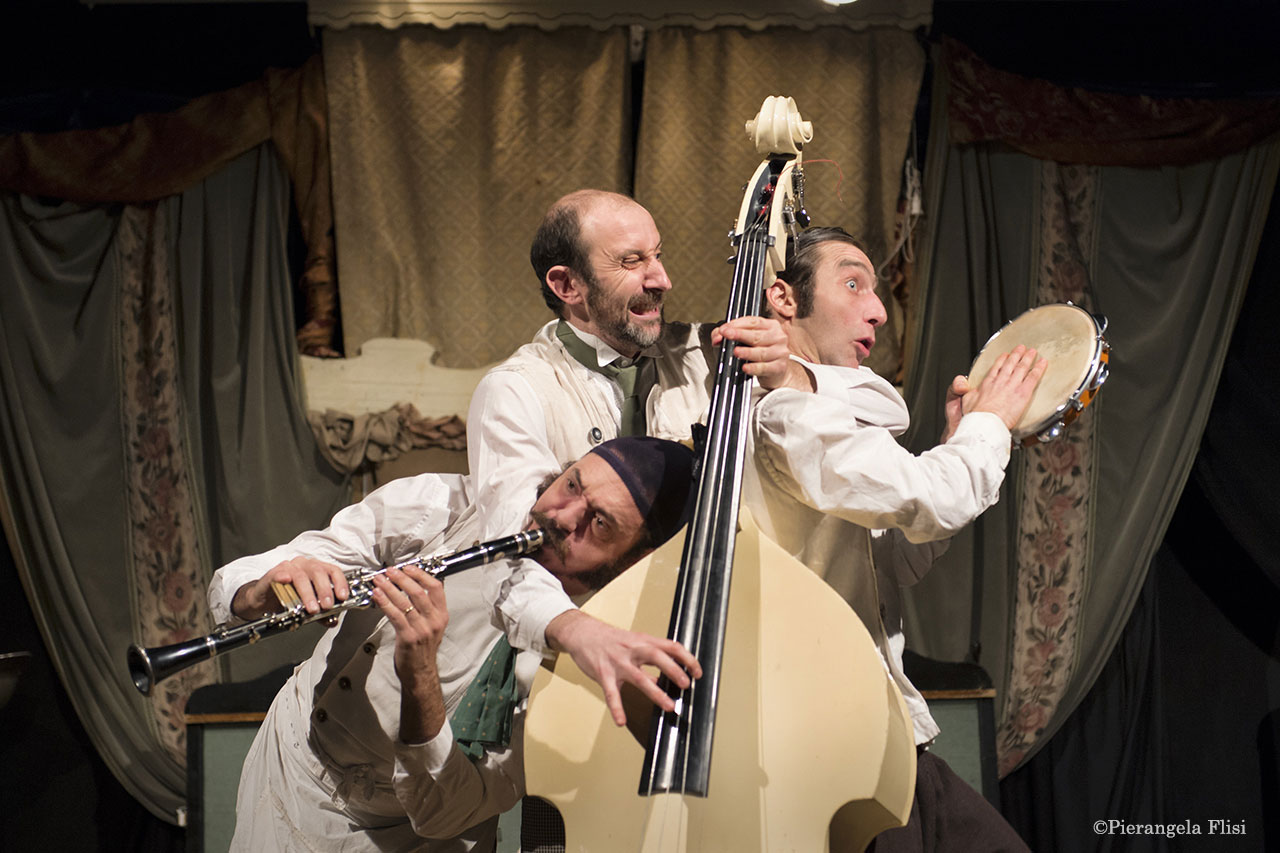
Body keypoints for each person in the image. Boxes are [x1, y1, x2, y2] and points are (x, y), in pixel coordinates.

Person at [208, 436, 701, 852]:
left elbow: (446, 812)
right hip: (288, 760)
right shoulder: (448, 505)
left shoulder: (589, 663)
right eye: (572, 484)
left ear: (632, 561)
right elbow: (246, 577)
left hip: (402, 836)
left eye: (599, 523)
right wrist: (265, 588)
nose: (560, 517)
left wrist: (419, 674)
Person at [742, 226, 1044, 852]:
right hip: (829, 745)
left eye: (875, 291)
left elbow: (896, 560)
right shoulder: (786, 417)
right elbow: (936, 499)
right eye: (853, 284)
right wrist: (989, 426)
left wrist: (962, 443)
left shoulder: (830, 415)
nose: (878, 311)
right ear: (784, 299)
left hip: (882, 731)